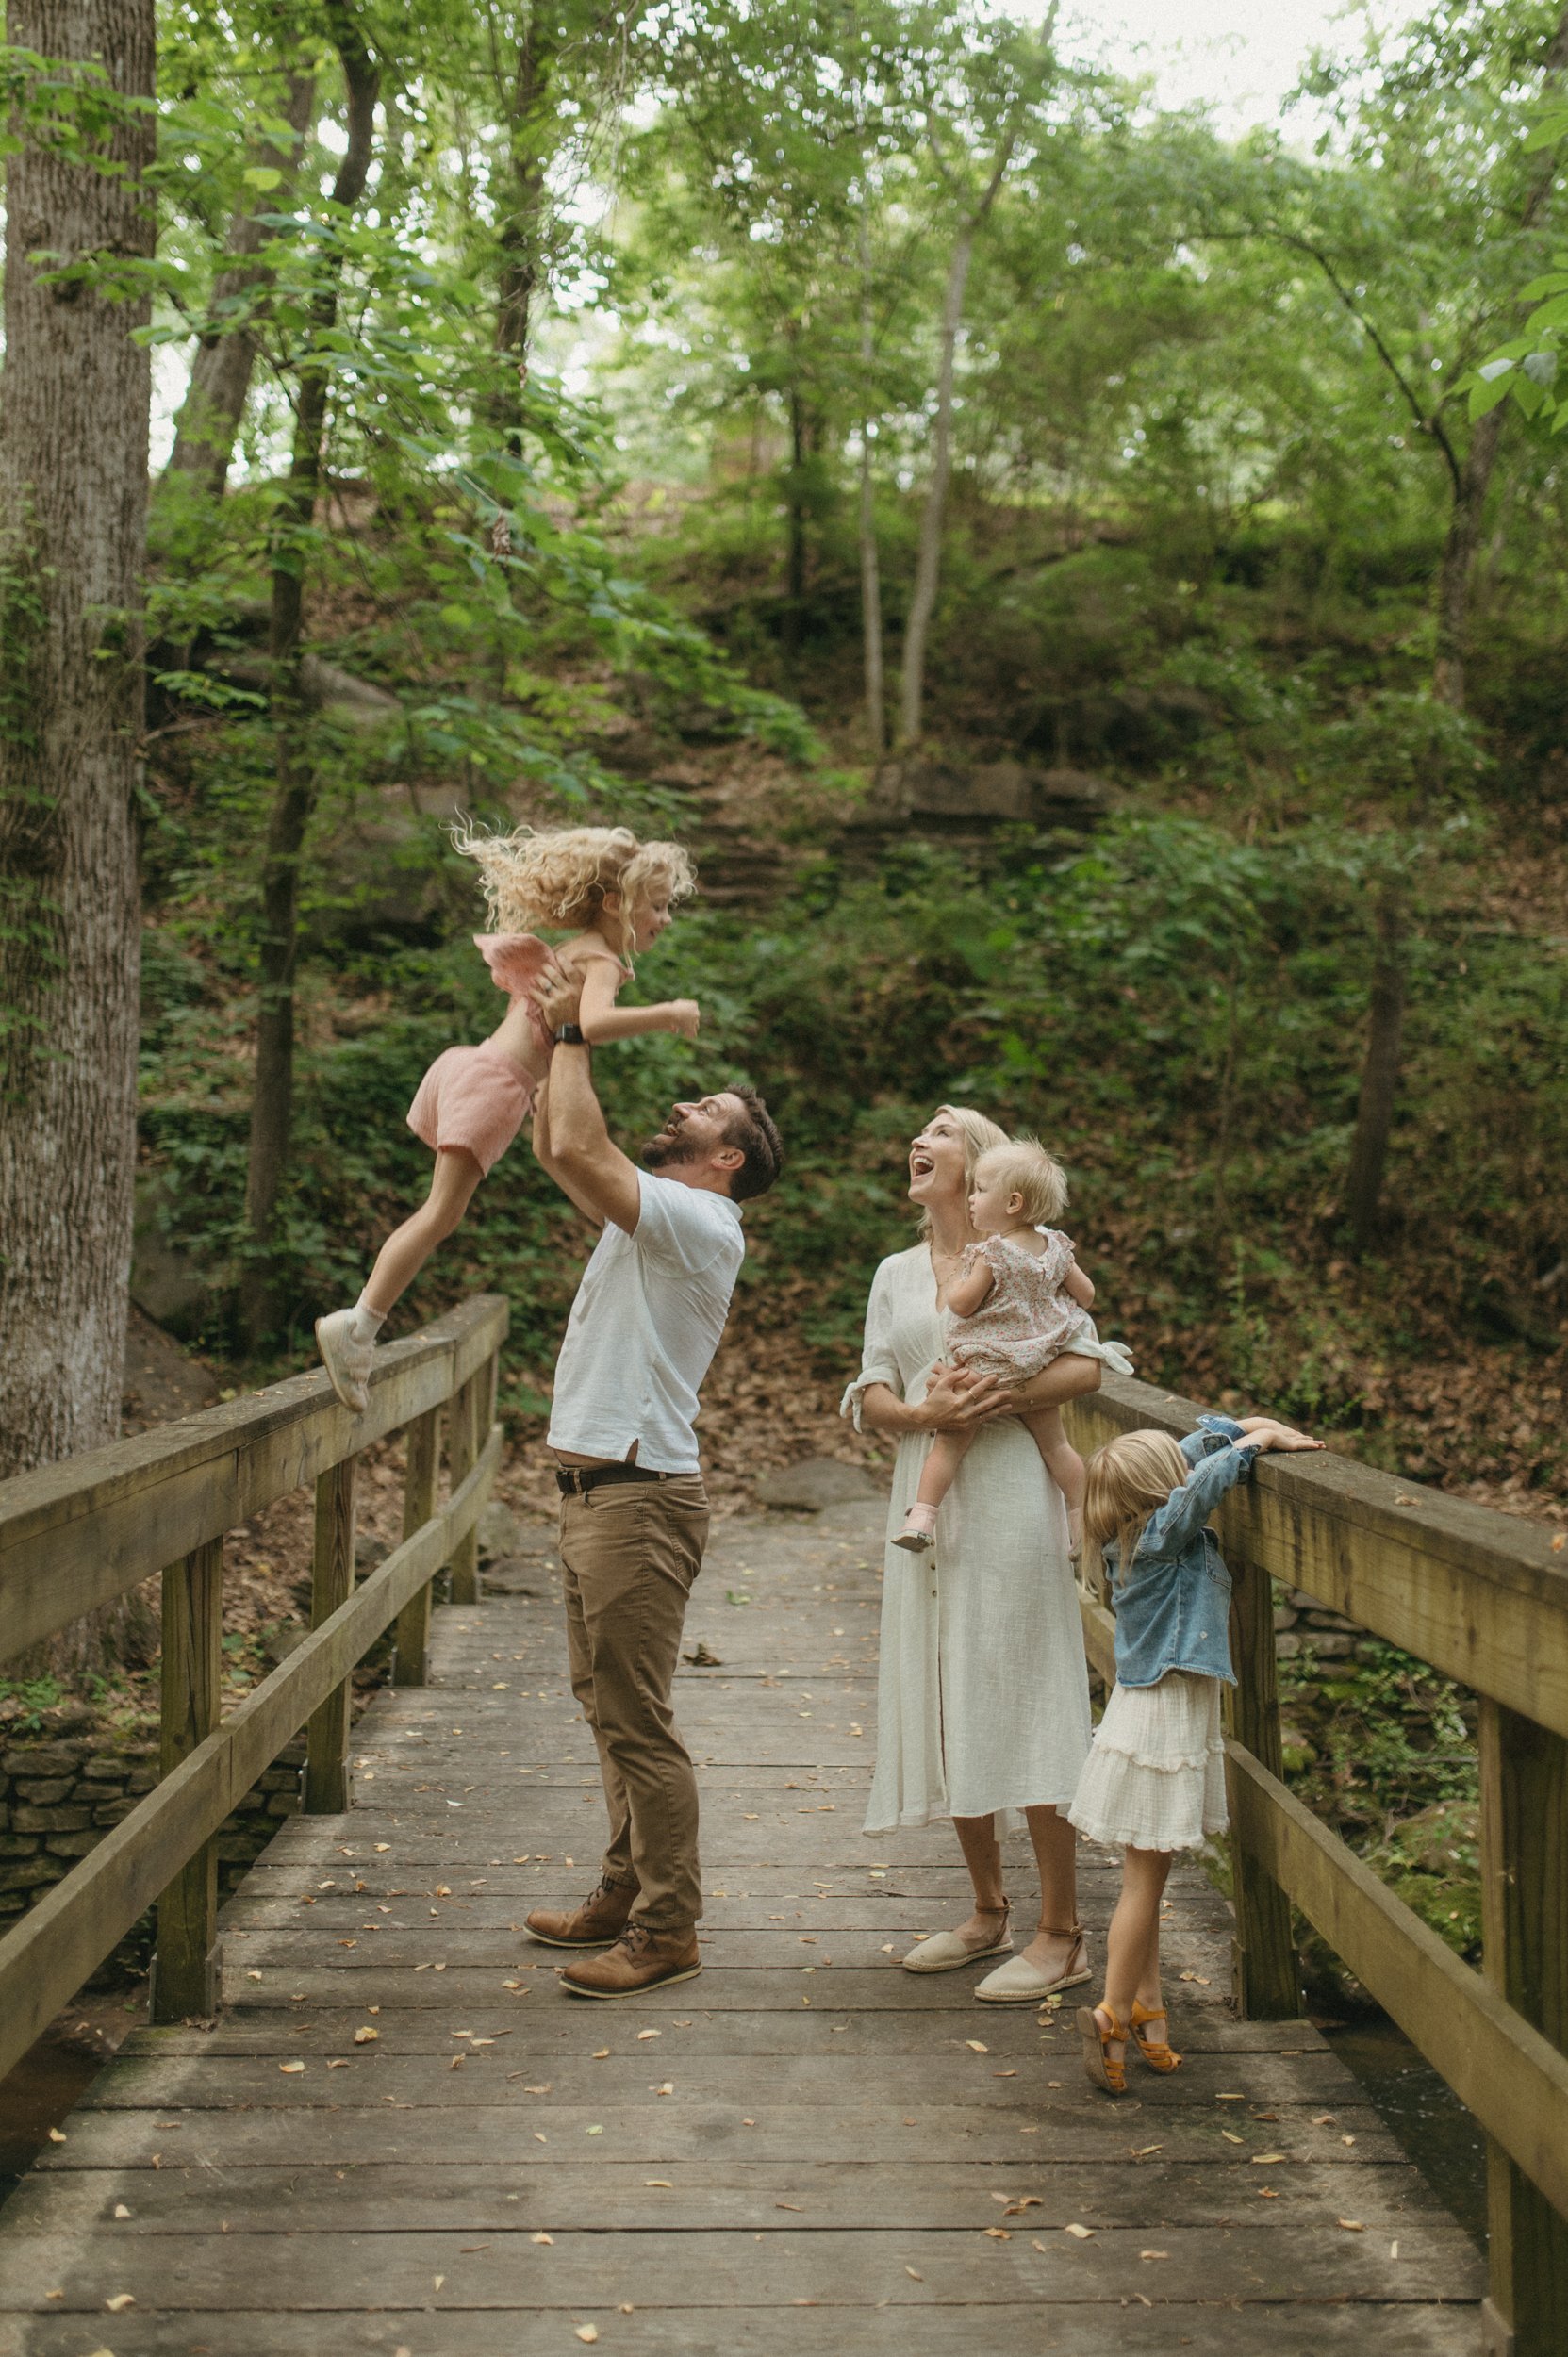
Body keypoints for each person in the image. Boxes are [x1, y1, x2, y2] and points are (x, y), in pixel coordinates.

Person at [520, 960, 783, 1998]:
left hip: (637, 1497)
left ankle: (670, 1928)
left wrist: (580, 1031)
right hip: (598, 1495)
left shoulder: (703, 1222)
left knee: (637, 1717)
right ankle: (624, 1890)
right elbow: (560, 1147)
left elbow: (581, 1140)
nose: (679, 1103)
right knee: (604, 1704)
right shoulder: (658, 1214)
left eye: (702, 1107)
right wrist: (543, 1026)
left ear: (727, 1157)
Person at [843, 1106, 1105, 2005]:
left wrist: (996, 1393)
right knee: (952, 1694)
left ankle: (1062, 1932)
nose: (919, 1140)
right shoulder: (896, 1273)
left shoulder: (1027, 1259)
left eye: (941, 1131)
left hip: (1009, 1499)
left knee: (1026, 1688)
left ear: (985, 1166)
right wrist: (927, 1417)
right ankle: (986, 1911)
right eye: (916, 1129)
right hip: (929, 1494)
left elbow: (1090, 1366)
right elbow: (871, 1391)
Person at [315, 822, 701, 1413]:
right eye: (657, 904)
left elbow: (554, 1041)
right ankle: (358, 1328)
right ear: (616, 903)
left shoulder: (575, 951)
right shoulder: (598, 959)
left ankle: (361, 1326)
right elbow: (590, 1025)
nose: (666, 917)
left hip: (475, 1068)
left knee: (444, 1208)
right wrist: (668, 1012)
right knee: (441, 1213)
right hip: (497, 1083)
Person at [1070, 1411, 1324, 2094]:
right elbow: (1195, 1486)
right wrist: (1253, 1445)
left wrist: (1231, 1426)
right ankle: (1111, 2012)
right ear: (1160, 1490)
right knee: (1143, 1884)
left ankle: (1149, 2015)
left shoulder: (1126, 1529)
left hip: (1146, 1710)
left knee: (1143, 1877)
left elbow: (1180, 1465)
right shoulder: (1162, 1535)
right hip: (1162, 1722)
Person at [895, 1135, 1131, 1558]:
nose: (972, 1197)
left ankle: (922, 1518)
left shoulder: (993, 1252)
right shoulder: (1057, 1246)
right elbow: (1088, 1295)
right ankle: (1081, 1526)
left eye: (982, 1189)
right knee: (1057, 1446)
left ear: (1013, 1203)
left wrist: (955, 1282)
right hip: (1037, 1364)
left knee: (948, 1443)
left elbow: (964, 1306)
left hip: (988, 1366)